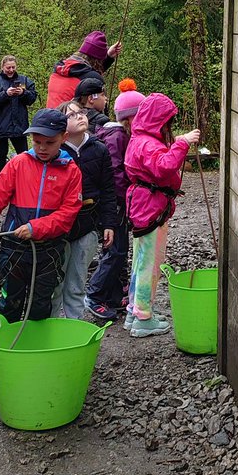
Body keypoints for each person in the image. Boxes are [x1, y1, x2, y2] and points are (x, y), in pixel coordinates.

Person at [0, 108, 82, 321]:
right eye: (37, 142)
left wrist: (36, 228)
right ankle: (3, 351)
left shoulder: (71, 171)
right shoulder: (18, 163)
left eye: (49, 143)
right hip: (13, 247)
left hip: (49, 249)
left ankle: (34, 351)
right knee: (10, 303)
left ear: (63, 138)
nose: (42, 148)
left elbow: (68, 214)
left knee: (41, 305)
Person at [124, 93, 200, 337]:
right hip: (150, 209)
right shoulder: (147, 143)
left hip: (147, 206)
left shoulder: (141, 139)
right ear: (159, 120)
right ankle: (143, 317)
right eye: (167, 121)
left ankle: (134, 311)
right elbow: (164, 166)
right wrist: (182, 143)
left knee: (141, 260)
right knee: (150, 265)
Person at [84, 81, 145, 322]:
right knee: (116, 251)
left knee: (120, 249)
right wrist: (124, 200)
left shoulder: (117, 133)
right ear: (130, 119)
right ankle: (95, 294)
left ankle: (110, 295)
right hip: (113, 204)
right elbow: (115, 173)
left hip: (116, 203)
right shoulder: (117, 136)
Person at [52, 101, 116, 319]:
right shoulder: (55, 151)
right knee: (55, 285)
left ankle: (74, 330)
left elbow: (108, 190)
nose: (79, 117)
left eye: (81, 112)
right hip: (59, 227)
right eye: (72, 115)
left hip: (88, 223)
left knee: (77, 283)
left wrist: (108, 224)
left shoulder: (99, 149)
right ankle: (49, 333)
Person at [0, 56, 37, 173]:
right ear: (2, 67)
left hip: (19, 124)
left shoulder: (24, 80)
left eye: (13, 67)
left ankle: (24, 179)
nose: (11, 70)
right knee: (1, 156)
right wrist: (5, 94)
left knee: (23, 155)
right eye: (8, 67)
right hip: (0, 125)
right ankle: (1, 182)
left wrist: (23, 93)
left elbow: (32, 98)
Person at [47, 31, 122, 108]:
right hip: (71, 118)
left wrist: (108, 57)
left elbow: (85, 73)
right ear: (98, 61)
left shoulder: (60, 69)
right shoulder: (90, 77)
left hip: (50, 117)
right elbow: (99, 109)